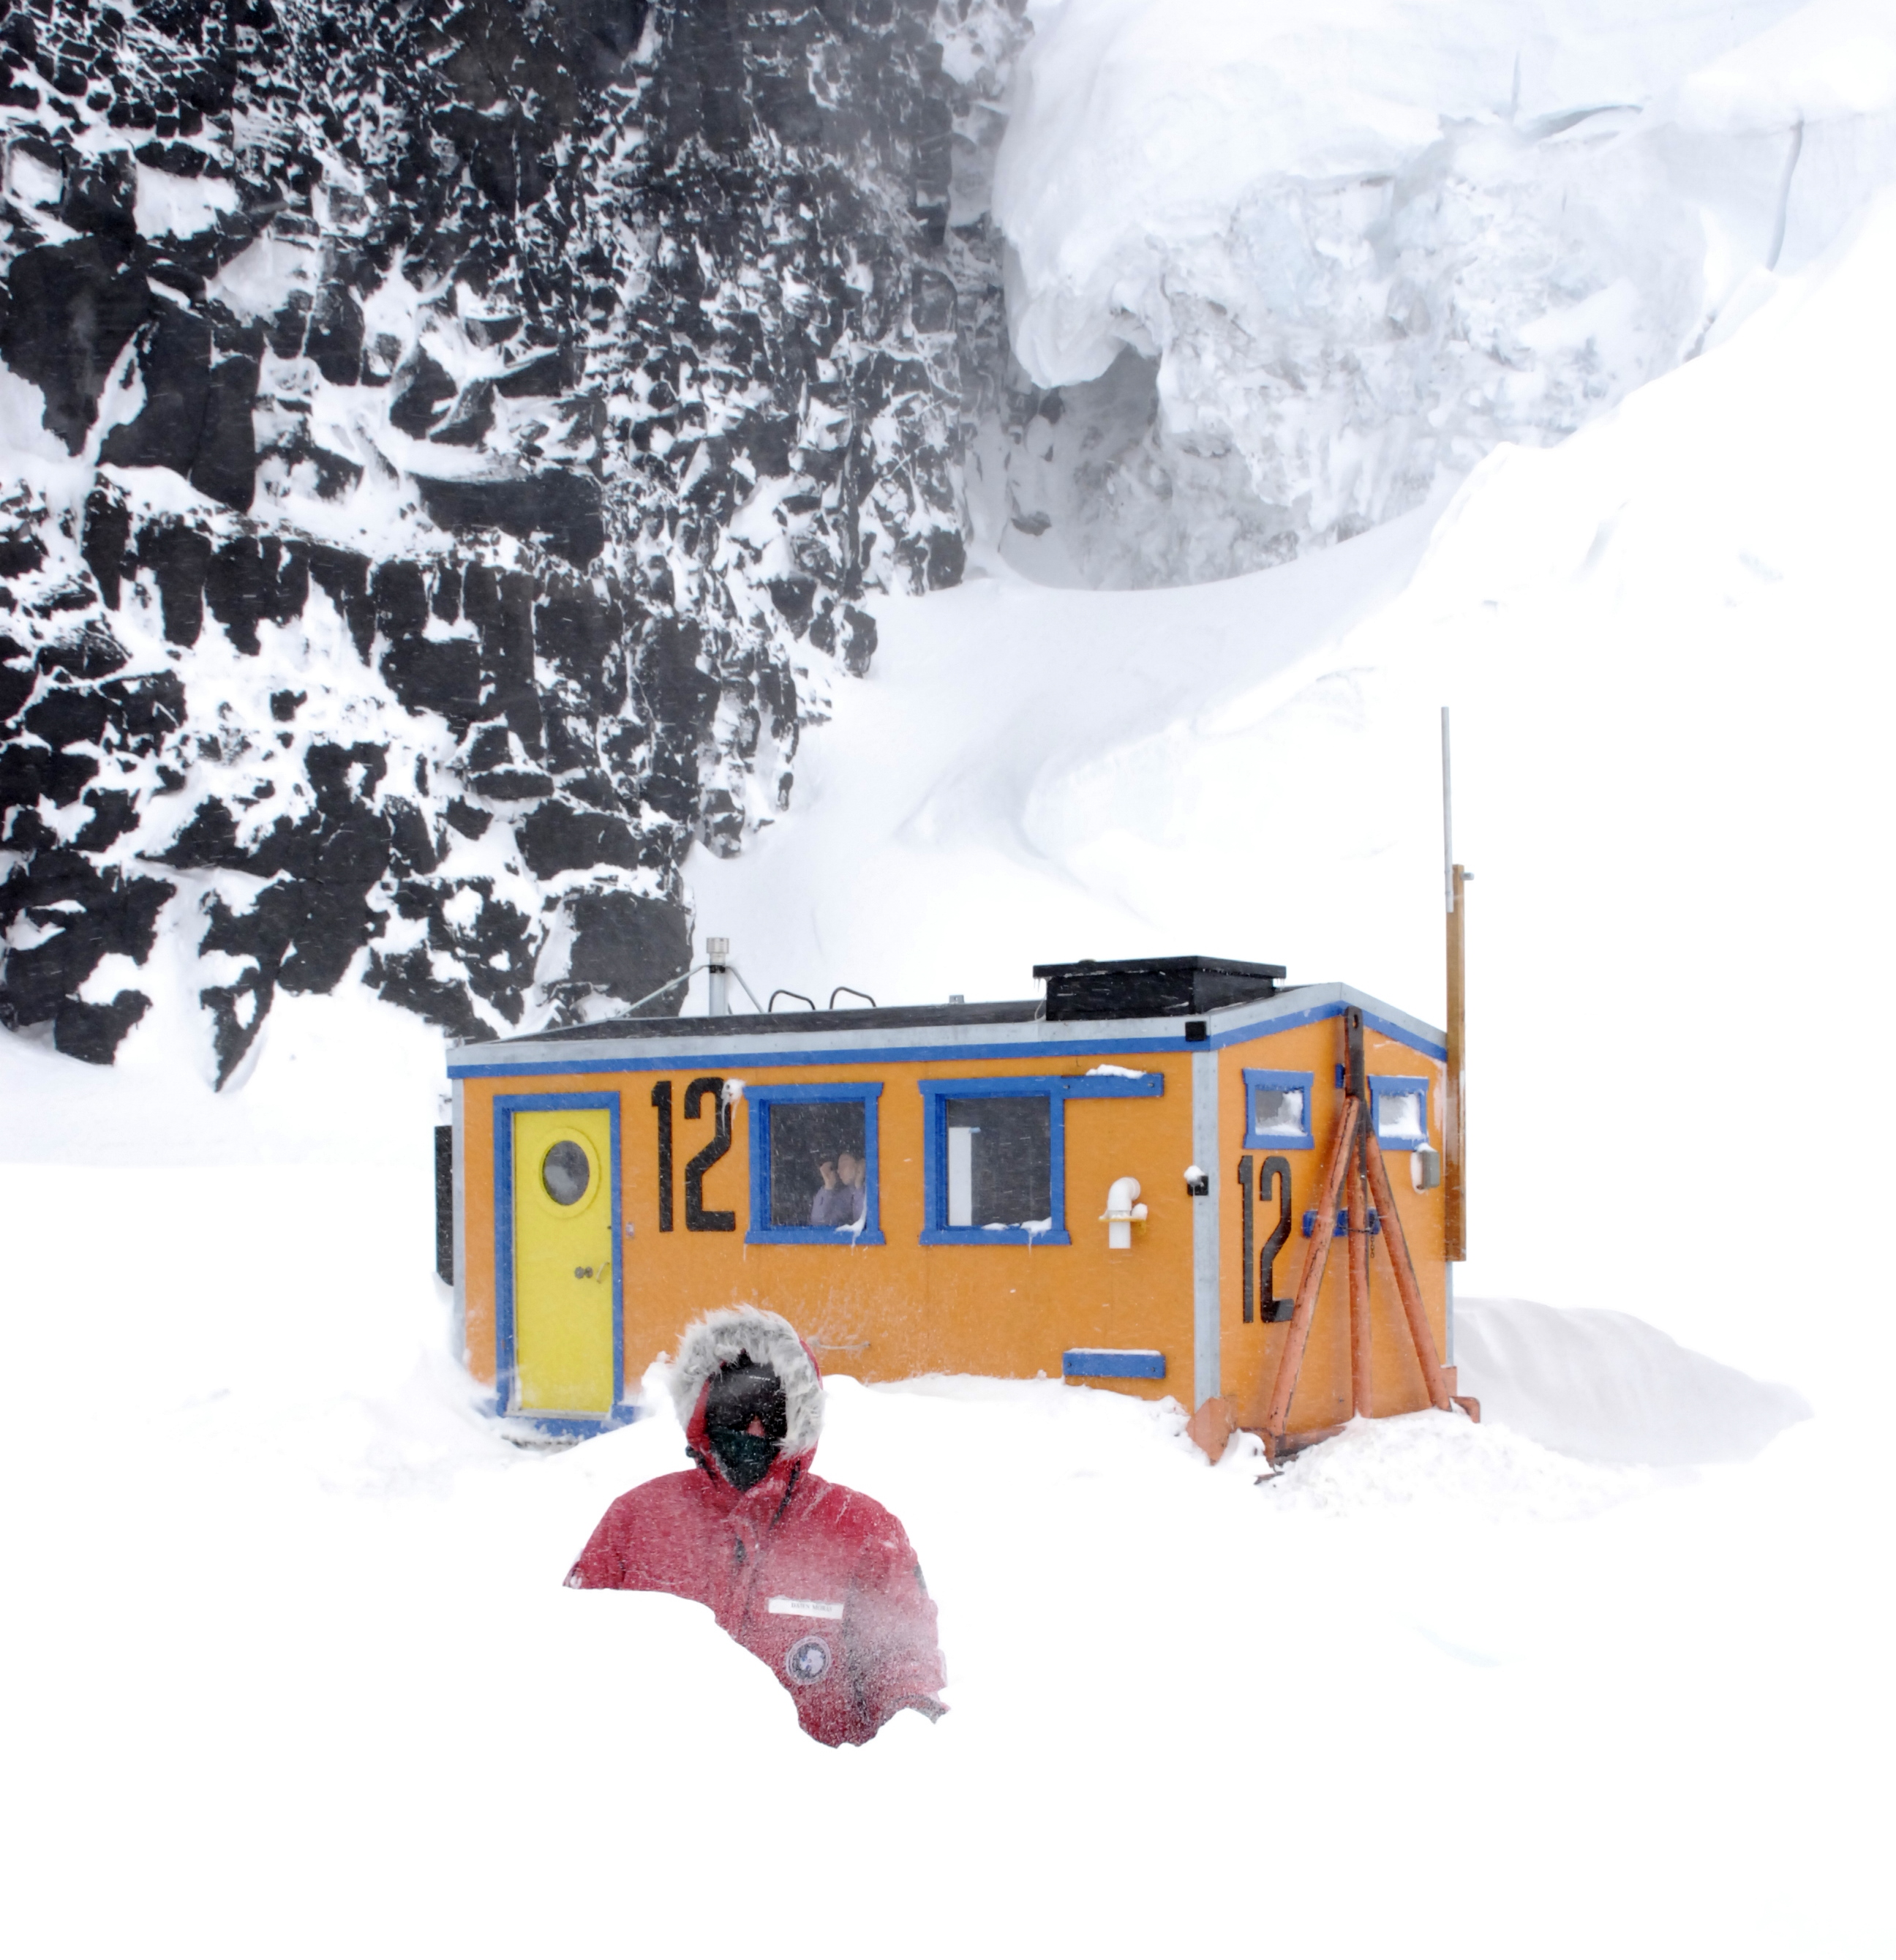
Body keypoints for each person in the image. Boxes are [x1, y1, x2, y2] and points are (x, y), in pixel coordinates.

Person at [565, 1306, 947, 1747]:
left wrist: (914, 1729)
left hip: (815, 1789)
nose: (754, 1427)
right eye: (737, 1405)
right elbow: (571, 1646)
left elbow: (901, 1660)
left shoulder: (861, 1530)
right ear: (704, 1411)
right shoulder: (637, 1520)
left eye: (772, 1409)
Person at [808, 1149, 866, 1228]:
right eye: (838, 1167)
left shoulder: (876, 1187)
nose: (838, 1171)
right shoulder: (847, 1194)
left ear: (860, 1163)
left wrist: (859, 1186)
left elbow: (866, 1223)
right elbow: (819, 1223)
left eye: (844, 1164)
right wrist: (828, 1187)